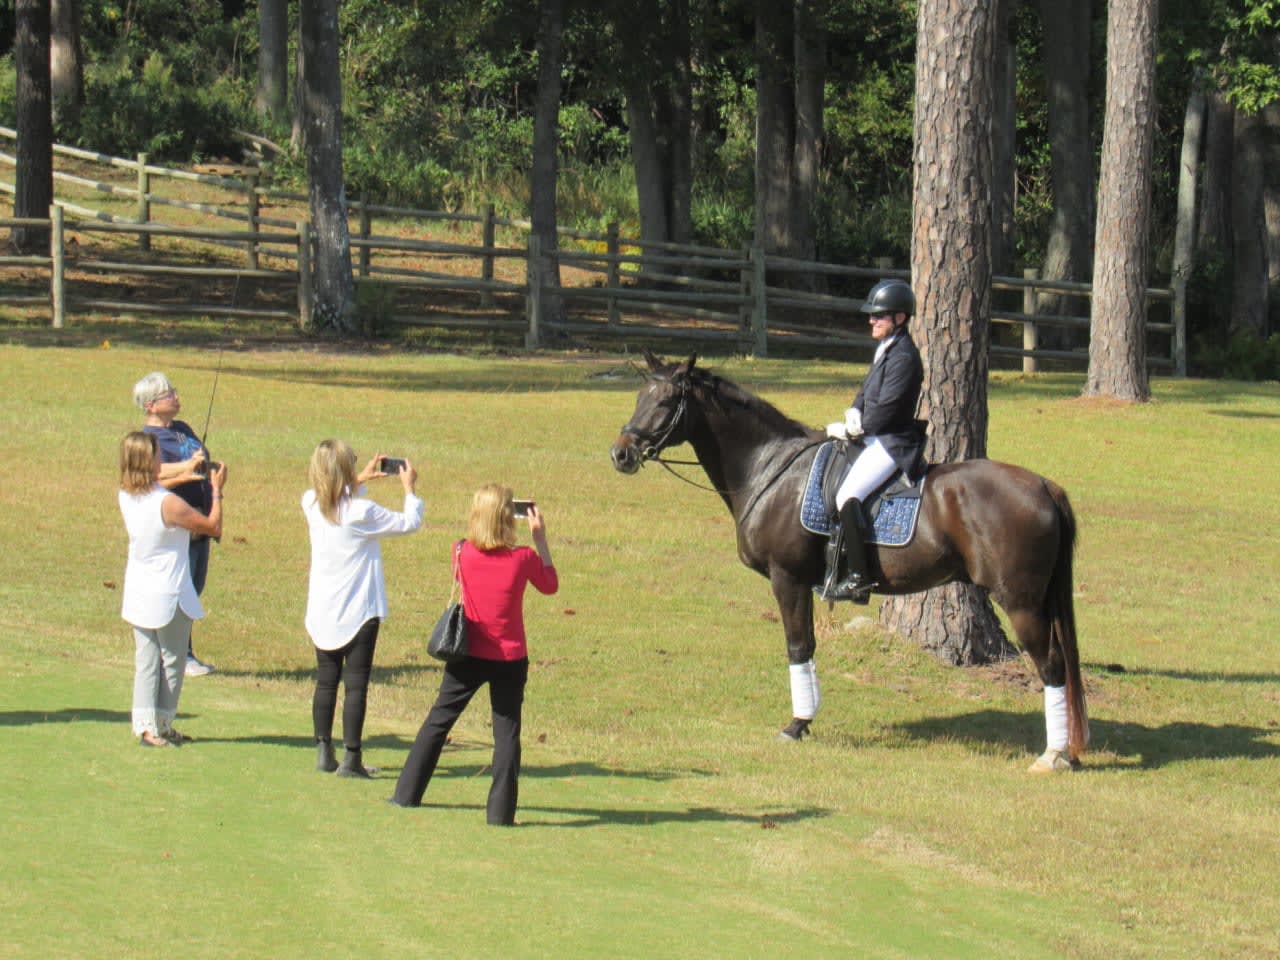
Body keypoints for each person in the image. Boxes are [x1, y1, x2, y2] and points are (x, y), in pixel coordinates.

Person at [391, 485, 558, 825]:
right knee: (506, 734)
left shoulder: (461, 552)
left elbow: (462, 575)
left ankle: (406, 793)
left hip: (466, 654)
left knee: (439, 720)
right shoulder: (523, 558)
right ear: (507, 519)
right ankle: (500, 814)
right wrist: (540, 540)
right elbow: (550, 584)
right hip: (509, 658)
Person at [303, 440, 423, 778]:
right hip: (358, 609)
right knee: (356, 684)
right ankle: (351, 757)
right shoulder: (362, 511)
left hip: (323, 608)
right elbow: (409, 523)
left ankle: (324, 751)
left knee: (326, 681)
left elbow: (330, 493)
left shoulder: (310, 503)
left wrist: (358, 479)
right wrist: (409, 488)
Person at [118, 431, 227, 746]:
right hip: (168, 590)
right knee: (173, 660)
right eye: (156, 457)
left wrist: (185, 471)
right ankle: (161, 724)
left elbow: (157, 484)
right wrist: (216, 491)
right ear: (148, 461)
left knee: (147, 661)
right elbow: (212, 526)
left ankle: (146, 726)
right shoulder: (167, 503)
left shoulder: (127, 494)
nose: (161, 461)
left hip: (139, 588)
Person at [822, 278, 925, 603]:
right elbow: (867, 392)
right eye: (872, 315)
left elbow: (888, 410)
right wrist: (854, 410)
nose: (871, 320)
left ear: (900, 318)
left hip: (892, 443)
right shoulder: (887, 349)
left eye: (878, 315)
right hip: (874, 435)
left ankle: (859, 579)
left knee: (847, 495)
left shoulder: (905, 357)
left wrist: (855, 428)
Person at [134, 372, 218, 677]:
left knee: (195, 586)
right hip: (176, 523)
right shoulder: (148, 440)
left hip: (200, 520)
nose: (176, 397)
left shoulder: (182, 429)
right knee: (182, 590)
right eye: (169, 394)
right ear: (152, 405)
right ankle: (181, 654)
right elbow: (152, 472)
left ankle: (181, 651)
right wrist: (187, 468)